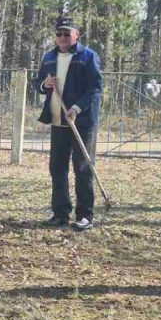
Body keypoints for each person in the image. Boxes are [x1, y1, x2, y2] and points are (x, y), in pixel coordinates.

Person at [34, 17, 103, 232]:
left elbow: (96, 87)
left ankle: (85, 216)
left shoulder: (88, 56)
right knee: (57, 168)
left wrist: (76, 108)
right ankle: (60, 213)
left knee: (82, 168)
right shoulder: (49, 57)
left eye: (67, 33)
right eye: (59, 34)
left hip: (80, 122)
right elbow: (38, 84)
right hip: (57, 121)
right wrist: (45, 84)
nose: (62, 38)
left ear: (76, 35)